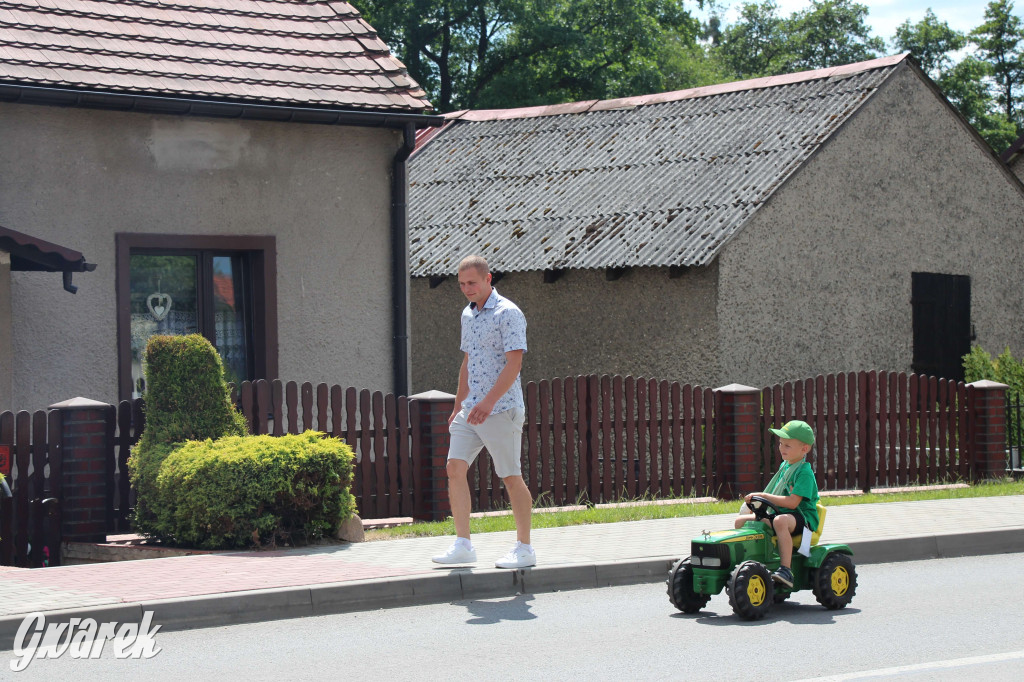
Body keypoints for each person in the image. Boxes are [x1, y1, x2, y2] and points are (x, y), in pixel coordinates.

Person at [431, 255, 535, 569]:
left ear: (488, 279)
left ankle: (525, 548)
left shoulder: (509, 313)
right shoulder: (468, 314)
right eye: (461, 284)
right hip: (470, 410)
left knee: (510, 477)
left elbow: (514, 364)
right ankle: (463, 545)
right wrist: (457, 407)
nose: (466, 289)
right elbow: (468, 362)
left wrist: (488, 402)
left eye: (472, 283)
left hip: (501, 408)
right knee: (454, 467)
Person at [734, 419, 820, 588]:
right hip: (782, 513)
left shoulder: (804, 473)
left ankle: (786, 570)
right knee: (741, 520)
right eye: (781, 443)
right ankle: (749, 560)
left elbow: (793, 503)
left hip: (803, 518)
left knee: (780, 521)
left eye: (787, 445)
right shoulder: (785, 466)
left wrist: (764, 495)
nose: (781, 448)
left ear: (804, 449)